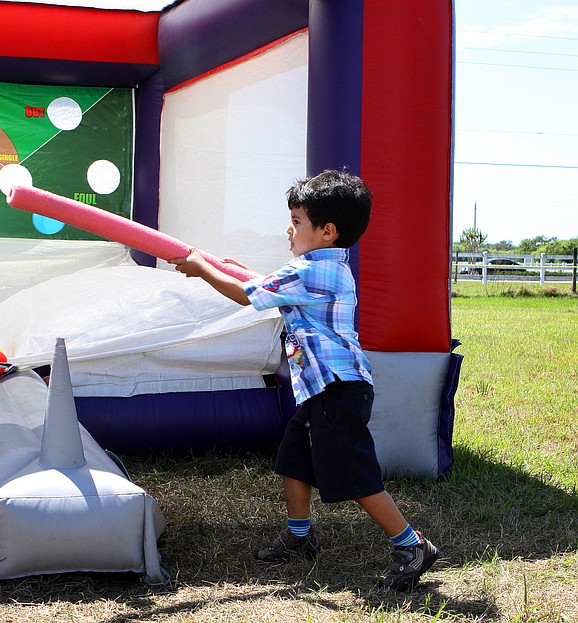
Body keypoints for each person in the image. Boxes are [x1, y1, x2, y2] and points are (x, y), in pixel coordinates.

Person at [168, 170, 439, 591]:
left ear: (327, 231)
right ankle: (299, 535)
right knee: (293, 459)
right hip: (322, 390)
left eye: (297, 221)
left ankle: (412, 543)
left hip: (338, 390)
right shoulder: (317, 268)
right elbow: (267, 286)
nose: (288, 229)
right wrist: (244, 272)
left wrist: (204, 268)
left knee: (354, 473)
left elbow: (248, 296)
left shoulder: (312, 272)